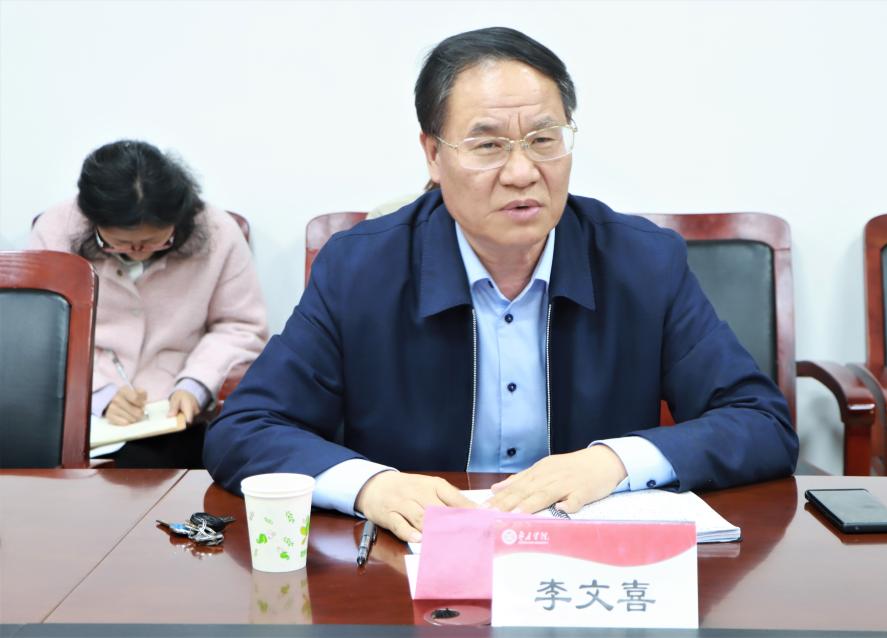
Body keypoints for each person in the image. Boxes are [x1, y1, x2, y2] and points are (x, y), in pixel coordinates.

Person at [204, 27, 797, 541]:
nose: (521, 172)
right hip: (411, 565)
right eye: (488, 145)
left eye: (543, 139)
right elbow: (246, 429)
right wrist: (371, 486)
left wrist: (614, 462)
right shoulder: (359, 269)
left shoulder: (642, 262)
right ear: (433, 155)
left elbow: (760, 421)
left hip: (588, 564)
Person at [30, 140, 269, 468]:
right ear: (92, 220)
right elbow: (40, 333)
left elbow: (240, 326)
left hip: (173, 408)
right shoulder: (56, 230)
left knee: (158, 466)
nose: (138, 251)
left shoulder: (218, 233)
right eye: (120, 243)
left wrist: (196, 385)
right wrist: (97, 393)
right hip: (77, 407)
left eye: (154, 240)